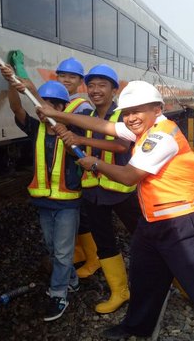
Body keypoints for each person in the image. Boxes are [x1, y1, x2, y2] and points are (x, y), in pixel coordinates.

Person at [39, 81, 194, 340]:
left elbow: (129, 176)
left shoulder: (160, 136)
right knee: (144, 278)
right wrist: (56, 114)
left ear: (157, 109)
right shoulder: (145, 127)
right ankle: (137, 326)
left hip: (183, 223)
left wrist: (95, 164)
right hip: (153, 221)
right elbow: (103, 125)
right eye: (126, 112)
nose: (130, 118)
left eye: (137, 111)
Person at [55, 64, 142, 313]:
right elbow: (80, 149)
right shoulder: (89, 117)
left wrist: (80, 138)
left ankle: (177, 280)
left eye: (102, 85)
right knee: (104, 243)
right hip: (93, 191)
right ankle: (120, 291)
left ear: (114, 89)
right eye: (91, 85)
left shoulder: (123, 115)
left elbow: (121, 146)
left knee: (147, 237)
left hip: (121, 191)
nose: (95, 90)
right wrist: (66, 136)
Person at [0, 65, 82, 322]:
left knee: (61, 251)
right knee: (51, 247)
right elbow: (16, 109)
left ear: (62, 109)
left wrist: (66, 136)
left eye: (54, 106)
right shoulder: (35, 128)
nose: (47, 109)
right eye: (43, 104)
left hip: (68, 203)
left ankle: (58, 294)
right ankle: (72, 280)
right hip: (43, 202)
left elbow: (78, 156)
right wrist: (11, 85)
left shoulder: (73, 132)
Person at [55, 57, 100, 277]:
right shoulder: (60, 101)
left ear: (79, 81)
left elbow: (83, 139)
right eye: (62, 75)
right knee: (76, 212)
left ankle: (94, 259)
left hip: (77, 165)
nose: (66, 80)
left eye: (71, 77)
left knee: (82, 212)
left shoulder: (81, 106)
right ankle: (81, 251)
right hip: (64, 164)